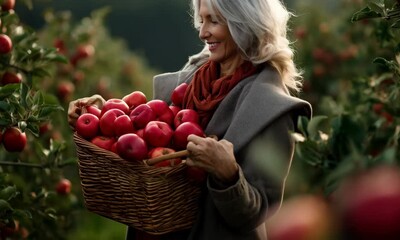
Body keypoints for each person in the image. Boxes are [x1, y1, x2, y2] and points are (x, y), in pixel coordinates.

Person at [68, 0, 312, 239]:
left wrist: (228, 175)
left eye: (213, 21)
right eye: (202, 20)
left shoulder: (272, 109)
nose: (203, 33)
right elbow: (146, 138)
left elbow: (256, 213)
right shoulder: (194, 76)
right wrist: (99, 116)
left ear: (244, 24)